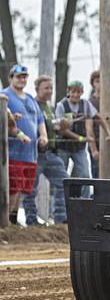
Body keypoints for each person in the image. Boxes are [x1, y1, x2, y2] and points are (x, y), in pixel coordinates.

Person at [1, 65, 48, 224]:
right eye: (18, 76)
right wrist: (18, 132)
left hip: (30, 154)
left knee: (21, 189)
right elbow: (6, 121)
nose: (22, 79)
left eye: (24, 77)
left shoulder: (30, 99)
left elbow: (40, 120)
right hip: (12, 153)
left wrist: (43, 135)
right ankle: (5, 221)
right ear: (11, 78)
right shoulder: (4, 96)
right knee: (12, 187)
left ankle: (13, 221)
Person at [22, 75, 69, 225]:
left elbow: (54, 129)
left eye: (51, 88)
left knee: (65, 182)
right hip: (35, 153)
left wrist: (62, 126)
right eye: (46, 88)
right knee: (31, 188)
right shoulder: (31, 105)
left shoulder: (50, 108)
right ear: (37, 90)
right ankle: (31, 220)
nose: (49, 91)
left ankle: (61, 219)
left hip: (51, 153)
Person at [55, 80, 96, 193]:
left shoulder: (85, 104)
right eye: (73, 92)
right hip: (64, 146)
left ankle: (85, 202)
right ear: (68, 92)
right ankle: (62, 204)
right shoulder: (61, 106)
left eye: (79, 92)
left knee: (85, 176)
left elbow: (93, 118)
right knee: (61, 177)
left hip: (80, 148)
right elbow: (62, 129)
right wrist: (80, 138)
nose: (76, 95)